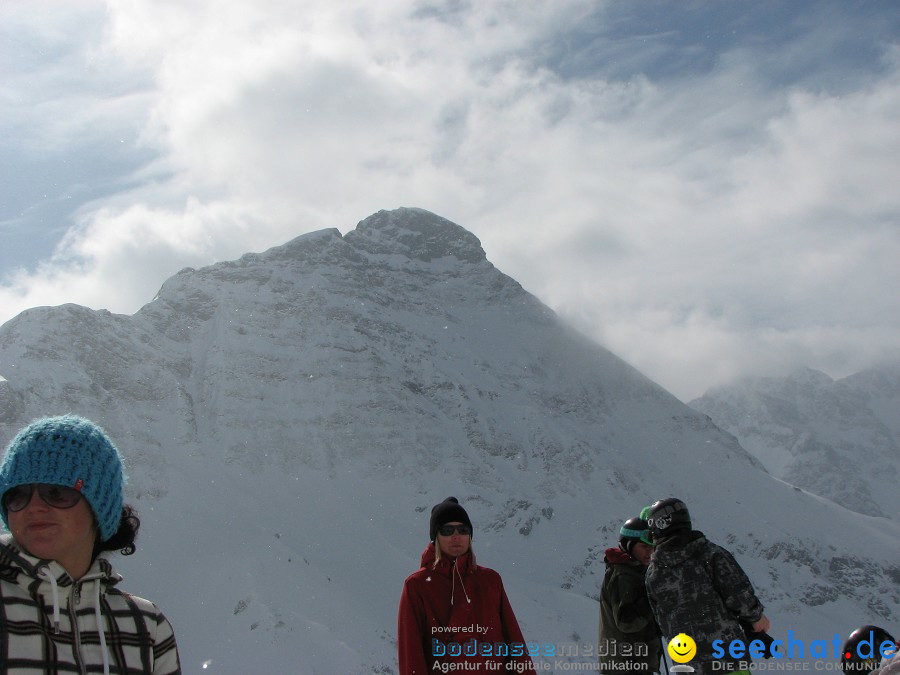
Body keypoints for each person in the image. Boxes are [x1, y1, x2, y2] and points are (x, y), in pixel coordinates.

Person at [0, 415, 181, 673]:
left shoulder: (146, 626)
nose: (35, 507)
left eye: (56, 492)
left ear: (99, 507)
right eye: (18, 496)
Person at [397, 496, 536, 674]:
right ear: (435, 537)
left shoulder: (490, 580)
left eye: (463, 530)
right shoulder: (417, 585)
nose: (456, 536)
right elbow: (412, 654)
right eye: (447, 530)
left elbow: (514, 643)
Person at [644, 497, 769, 675]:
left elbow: (662, 620)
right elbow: (739, 594)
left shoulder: (653, 574)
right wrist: (756, 618)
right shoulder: (710, 554)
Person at [599, 514, 661, 674]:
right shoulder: (624, 575)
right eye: (644, 547)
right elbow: (627, 622)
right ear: (628, 545)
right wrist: (653, 598)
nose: (649, 552)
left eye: (652, 547)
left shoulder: (634, 572)